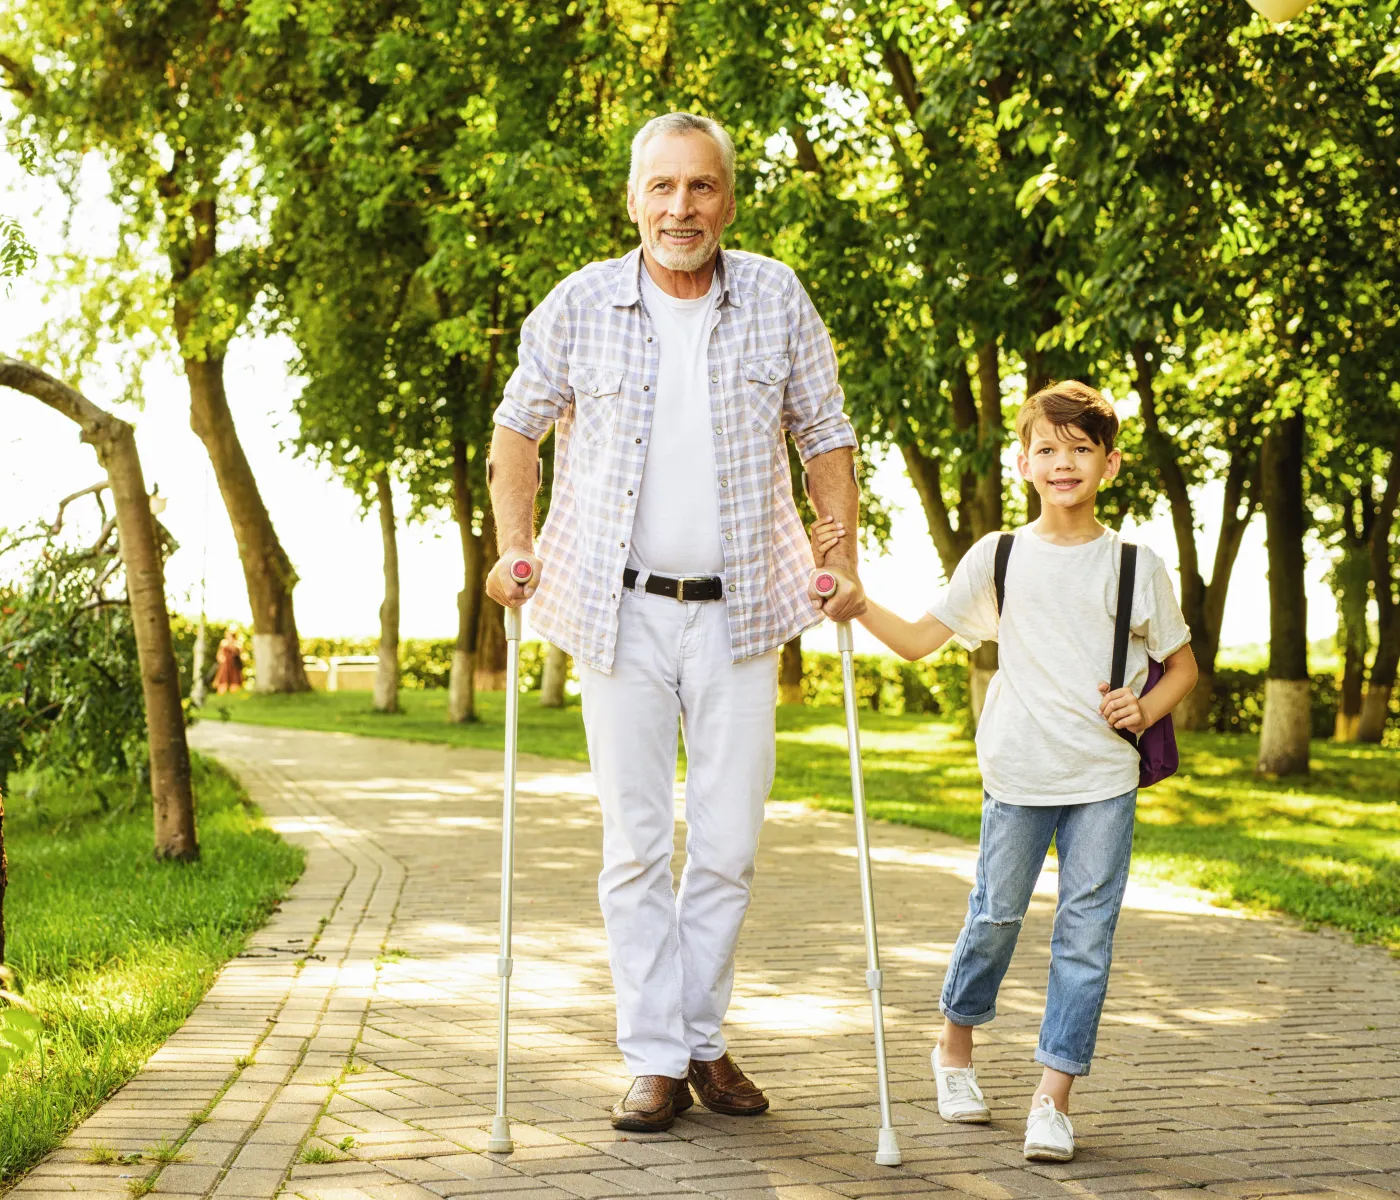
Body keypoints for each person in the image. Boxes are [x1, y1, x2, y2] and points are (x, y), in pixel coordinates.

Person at [485, 111, 867, 1132]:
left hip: (744, 613)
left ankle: (698, 1037)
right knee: (635, 844)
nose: (680, 208)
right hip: (618, 612)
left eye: (699, 188)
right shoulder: (577, 306)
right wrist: (513, 543)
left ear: (727, 200)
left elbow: (824, 432)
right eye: (662, 188)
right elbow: (517, 429)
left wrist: (842, 557)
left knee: (730, 843)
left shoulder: (776, 295)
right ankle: (660, 1055)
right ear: (632, 199)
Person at [811, 380, 1198, 1163]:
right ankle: (954, 1049)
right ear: (1023, 463)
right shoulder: (1001, 555)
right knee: (994, 917)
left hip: (1103, 779)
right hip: (1019, 773)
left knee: (1086, 938)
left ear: (1110, 463)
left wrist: (1145, 709)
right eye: (1048, 450)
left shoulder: (1135, 563)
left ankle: (1053, 1099)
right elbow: (923, 640)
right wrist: (858, 604)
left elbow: (1182, 668)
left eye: (1080, 449)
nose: (1064, 463)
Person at [214, 629, 244, 694]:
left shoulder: (237, 643)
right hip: (225, 665)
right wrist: (221, 659)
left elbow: (240, 653)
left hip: (234, 665)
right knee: (223, 681)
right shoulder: (223, 642)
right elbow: (219, 654)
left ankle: (233, 693)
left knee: (235, 681)